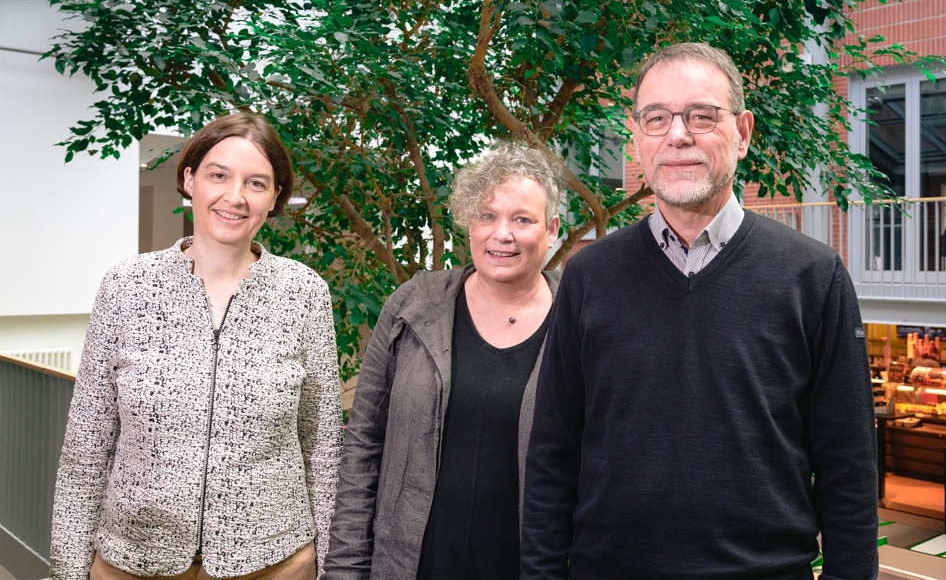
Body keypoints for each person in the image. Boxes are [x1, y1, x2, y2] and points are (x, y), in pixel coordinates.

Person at [521, 43, 878, 579]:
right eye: (656, 118)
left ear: (743, 133)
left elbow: (849, 466)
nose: (678, 134)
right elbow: (553, 455)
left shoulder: (813, 275)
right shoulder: (588, 276)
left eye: (702, 116)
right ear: (636, 138)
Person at [50, 113, 344, 580]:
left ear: (275, 198)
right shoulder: (127, 286)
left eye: (256, 183)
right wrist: (68, 570)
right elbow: (87, 446)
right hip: (133, 561)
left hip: (273, 564)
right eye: (218, 175)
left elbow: (323, 448)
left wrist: (332, 570)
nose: (235, 196)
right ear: (190, 180)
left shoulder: (303, 293)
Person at [323, 143, 566, 580]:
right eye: (487, 216)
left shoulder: (579, 322)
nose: (502, 234)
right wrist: (344, 570)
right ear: (469, 223)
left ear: (551, 230)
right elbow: (363, 445)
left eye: (522, 219)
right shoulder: (414, 305)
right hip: (408, 566)